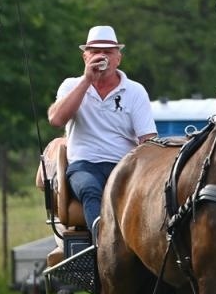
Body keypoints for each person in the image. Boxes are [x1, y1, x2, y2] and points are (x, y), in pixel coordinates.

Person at [47, 24, 155, 244]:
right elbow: (56, 120)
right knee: (89, 188)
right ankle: (104, 246)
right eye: (95, 52)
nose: (101, 57)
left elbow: (148, 140)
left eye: (108, 52)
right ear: (85, 57)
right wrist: (87, 80)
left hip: (125, 165)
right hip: (84, 164)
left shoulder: (135, 91)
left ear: (118, 58)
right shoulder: (71, 85)